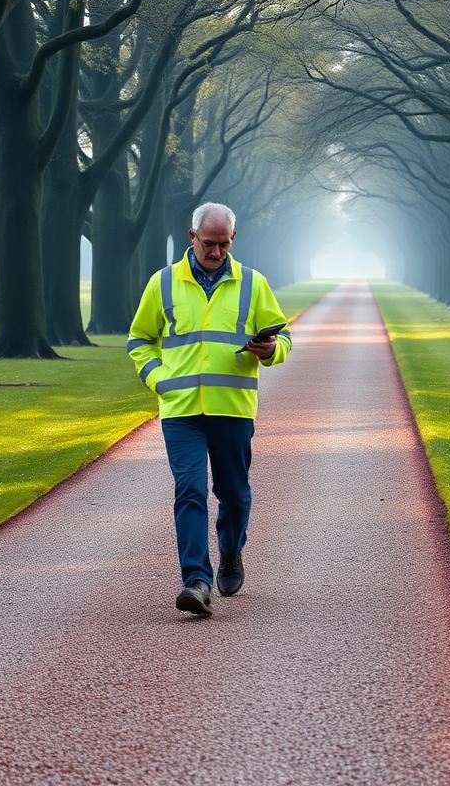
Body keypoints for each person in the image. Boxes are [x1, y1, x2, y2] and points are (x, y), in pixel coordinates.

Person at [127, 202, 291, 616]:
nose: (216, 252)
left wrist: (271, 349)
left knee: (234, 495)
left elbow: (284, 338)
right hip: (180, 410)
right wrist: (157, 379)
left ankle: (231, 551)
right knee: (190, 489)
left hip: (232, 408)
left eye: (223, 244)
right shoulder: (162, 283)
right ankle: (196, 581)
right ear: (191, 237)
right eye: (208, 244)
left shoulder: (254, 284)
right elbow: (139, 340)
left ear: (232, 240)